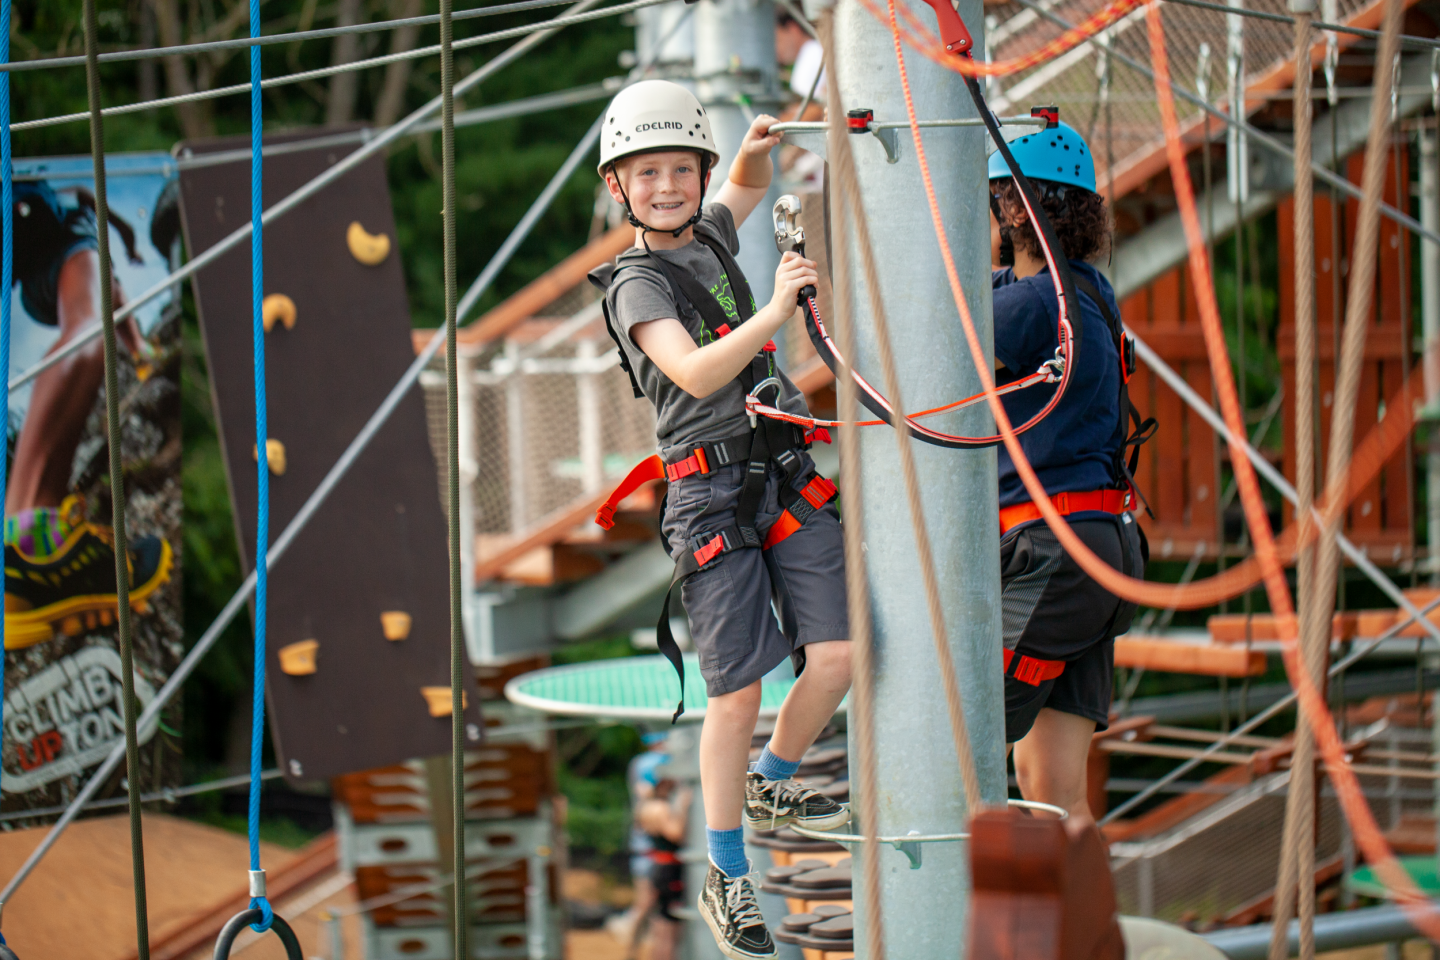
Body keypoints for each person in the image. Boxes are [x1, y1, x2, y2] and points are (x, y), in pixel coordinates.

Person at [590, 79, 852, 960]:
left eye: (680, 168)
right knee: (734, 692)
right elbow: (696, 374)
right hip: (707, 492)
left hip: (775, 470)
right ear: (618, 187)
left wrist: (750, 146)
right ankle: (727, 870)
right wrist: (777, 312)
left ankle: (774, 781)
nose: (666, 186)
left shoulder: (707, 232)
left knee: (842, 653)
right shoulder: (635, 286)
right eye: (646, 172)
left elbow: (742, 183)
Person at [987, 119, 1146, 825]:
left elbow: (916, 360)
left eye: (994, 196)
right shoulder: (1086, 290)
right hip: (1100, 548)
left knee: (956, 742)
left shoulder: (1025, 307)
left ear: (1013, 208)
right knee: (1052, 785)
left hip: (1052, 555)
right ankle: (1090, 935)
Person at [2, 179, 172, 649]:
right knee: (94, 317)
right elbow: (108, 217)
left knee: (105, 299)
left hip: (35, 276)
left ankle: (33, 549)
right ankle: (27, 548)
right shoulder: (77, 203)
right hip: (59, 239)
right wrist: (130, 242)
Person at [633, 775, 692, 960]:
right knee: (669, 932)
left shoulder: (646, 807)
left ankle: (632, 952)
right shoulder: (661, 808)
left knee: (659, 926)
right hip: (669, 870)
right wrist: (683, 809)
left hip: (659, 867)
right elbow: (675, 834)